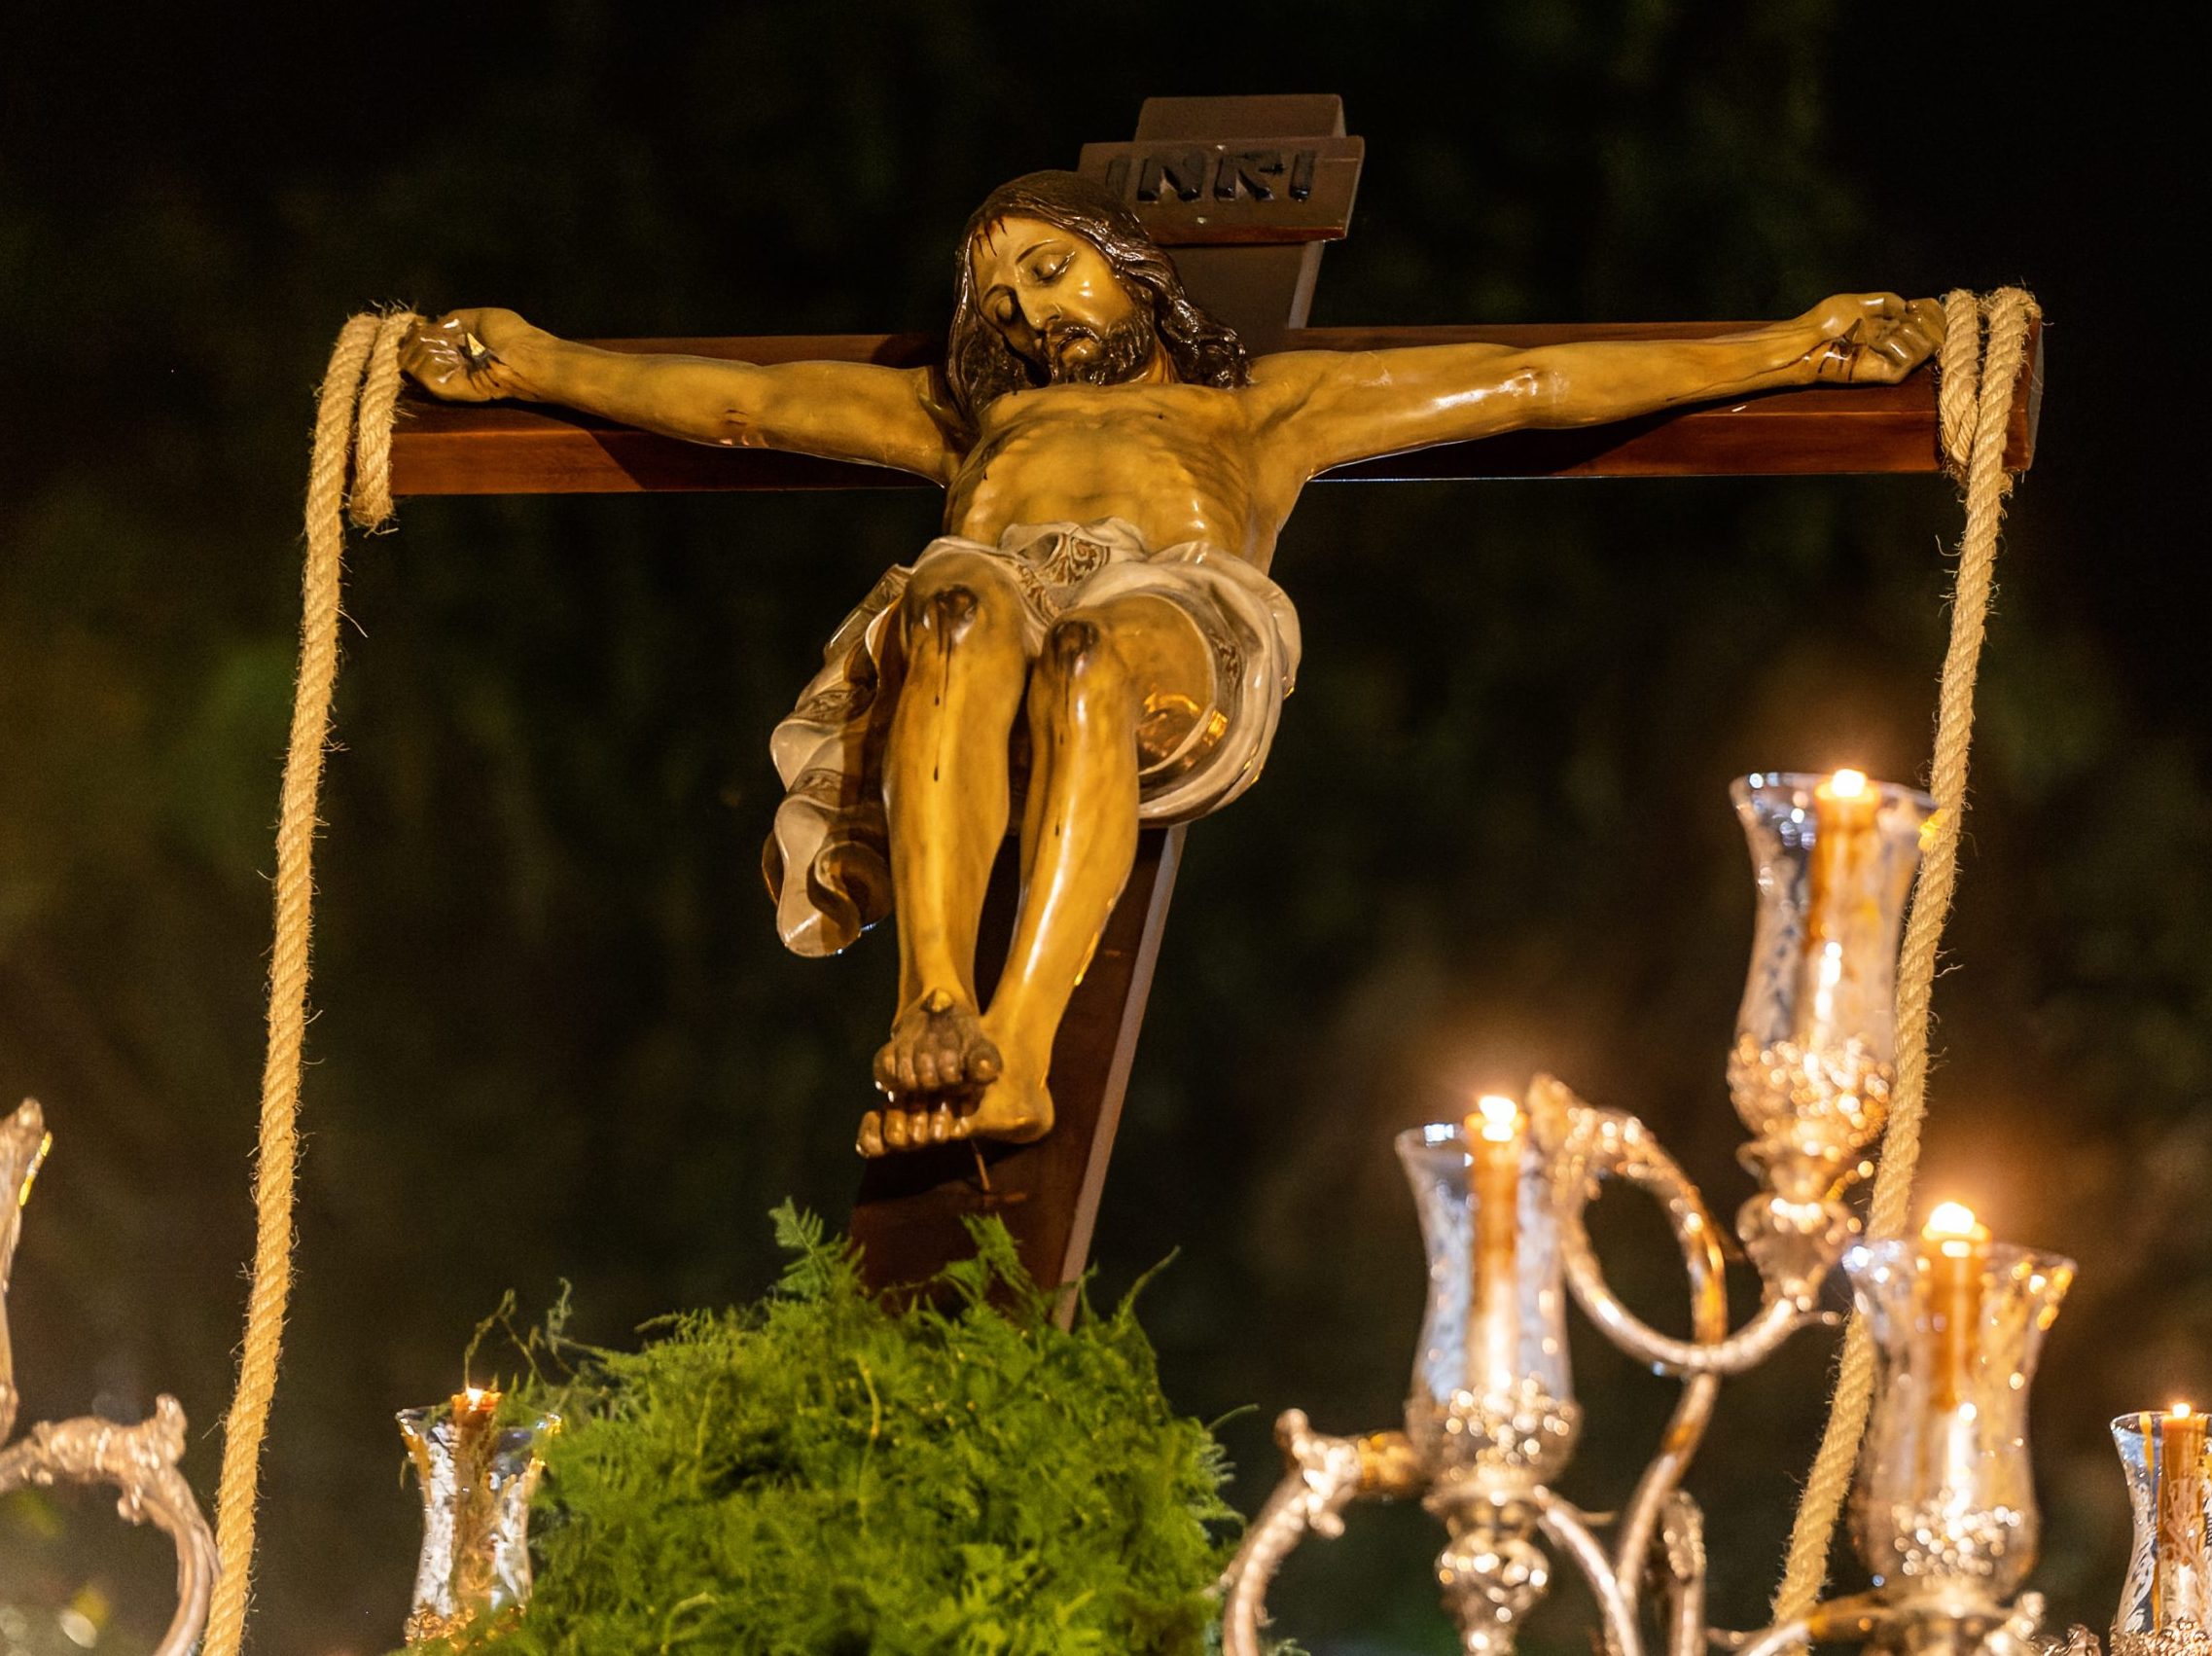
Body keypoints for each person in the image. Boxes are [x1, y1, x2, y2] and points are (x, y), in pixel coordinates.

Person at [403, 169, 1943, 1158]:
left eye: (1051, 267)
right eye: (998, 291)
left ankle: (1015, 1047)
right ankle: (932, 998)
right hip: (985, 609)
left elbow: (1532, 382)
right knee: (955, 604)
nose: (1024, 307)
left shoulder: (1257, 412)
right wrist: (534, 359)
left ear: (1131, 268)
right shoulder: (965, 419)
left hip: (1168, 626)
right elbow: (739, 407)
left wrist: (1794, 347)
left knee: (1081, 659)